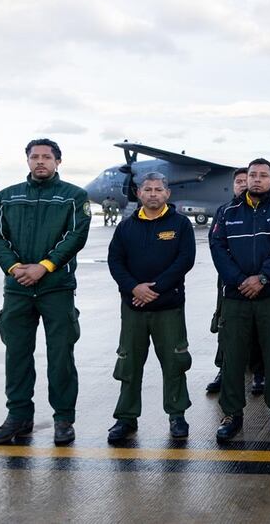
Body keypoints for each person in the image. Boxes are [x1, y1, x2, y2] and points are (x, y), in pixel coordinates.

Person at [0, 138, 91, 446]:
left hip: (56, 289)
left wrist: (44, 266)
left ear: (58, 162)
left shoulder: (74, 197)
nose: (40, 161)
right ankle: (18, 417)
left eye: (47, 157)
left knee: (61, 356)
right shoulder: (7, 197)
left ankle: (63, 419)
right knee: (16, 355)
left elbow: (76, 236)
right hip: (17, 289)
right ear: (27, 161)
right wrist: (15, 268)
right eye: (35, 157)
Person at [209, 158, 270, 442]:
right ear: (246, 179)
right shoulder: (226, 212)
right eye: (253, 175)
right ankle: (232, 415)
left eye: (264, 175)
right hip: (236, 297)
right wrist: (239, 280)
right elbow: (218, 247)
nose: (257, 179)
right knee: (233, 357)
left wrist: (262, 278)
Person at [106, 173, 195, 442]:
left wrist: (155, 289)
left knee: (174, 361)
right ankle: (126, 418)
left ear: (167, 194)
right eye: (148, 189)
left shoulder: (180, 225)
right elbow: (115, 262)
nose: (153, 194)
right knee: (129, 363)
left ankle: (177, 415)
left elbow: (185, 260)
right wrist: (135, 288)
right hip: (133, 307)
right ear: (139, 193)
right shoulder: (125, 227)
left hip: (168, 307)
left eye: (158, 189)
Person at [206, 168, 253, 394]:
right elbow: (215, 245)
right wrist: (235, 277)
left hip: (260, 281)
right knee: (225, 325)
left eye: (246, 180)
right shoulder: (224, 211)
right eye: (238, 182)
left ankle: (258, 371)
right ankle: (223, 369)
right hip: (228, 280)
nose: (243, 185)